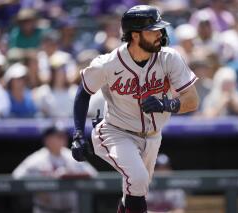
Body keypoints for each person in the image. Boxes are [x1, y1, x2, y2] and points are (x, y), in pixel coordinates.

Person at [71, 5, 199, 213]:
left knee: (135, 192)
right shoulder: (108, 63)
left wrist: (167, 104)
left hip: (152, 137)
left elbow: (192, 100)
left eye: (160, 29)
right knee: (138, 180)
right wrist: (77, 133)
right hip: (116, 132)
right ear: (135, 35)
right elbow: (83, 92)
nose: (160, 34)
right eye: (153, 30)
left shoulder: (169, 58)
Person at [12, 123, 98, 213]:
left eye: (63, 136)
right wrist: (37, 189)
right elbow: (16, 177)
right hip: (45, 210)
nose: (63, 139)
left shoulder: (72, 157)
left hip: (71, 210)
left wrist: (71, 175)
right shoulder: (36, 159)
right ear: (47, 139)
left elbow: (94, 175)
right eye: (58, 136)